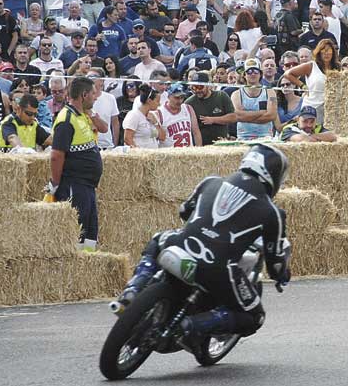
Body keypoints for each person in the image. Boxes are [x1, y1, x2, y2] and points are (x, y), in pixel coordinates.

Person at [108, 143, 291, 350]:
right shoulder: (272, 212)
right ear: (273, 175)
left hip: (181, 244)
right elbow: (275, 260)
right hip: (218, 268)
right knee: (254, 317)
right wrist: (281, 276)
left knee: (158, 238)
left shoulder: (211, 181)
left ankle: (133, 288)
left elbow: (184, 211)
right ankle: (191, 326)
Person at [50, 76, 105, 250]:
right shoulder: (66, 120)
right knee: (77, 232)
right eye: (93, 94)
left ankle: (88, 268)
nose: (95, 97)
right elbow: (56, 155)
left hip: (87, 185)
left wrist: (92, 114)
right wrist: (56, 183)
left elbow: (104, 128)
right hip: (74, 184)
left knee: (90, 232)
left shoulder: (82, 115)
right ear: (83, 95)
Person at [232, 68, 279, 141]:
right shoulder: (236, 94)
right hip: (243, 137)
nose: (253, 74)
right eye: (249, 72)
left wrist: (246, 117)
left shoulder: (271, 92)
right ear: (244, 75)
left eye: (256, 71)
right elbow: (237, 116)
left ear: (260, 74)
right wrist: (261, 113)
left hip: (266, 137)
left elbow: (272, 115)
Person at [121, 83, 166, 149]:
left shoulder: (153, 115)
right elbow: (127, 139)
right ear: (149, 101)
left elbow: (162, 137)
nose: (159, 104)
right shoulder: (134, 115)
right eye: (157, 101)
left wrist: (156, 123)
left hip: (153, 155)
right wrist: (139, 153)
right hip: (141, 156)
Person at [157, 83, 201, 148]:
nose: (180, 101)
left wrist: (199, 150)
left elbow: (196, 132)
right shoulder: (160, 112)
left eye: (182, 97)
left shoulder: (188, 108)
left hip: (188, 153)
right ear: (169, 96)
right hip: (169, 154)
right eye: (176, 98)